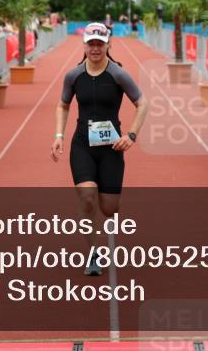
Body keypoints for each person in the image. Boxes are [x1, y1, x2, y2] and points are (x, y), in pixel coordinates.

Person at [52, 22, 148, 276]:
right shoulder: (73, 76)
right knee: (86, 199)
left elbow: (143, 103)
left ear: (107, 44)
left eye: (99, 43)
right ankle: (94, 253)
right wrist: (59, 135)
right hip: (82, 144)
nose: (95, 48)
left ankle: (104, 226)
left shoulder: (118, 74)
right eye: (91, 43)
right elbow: (62, 105)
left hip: (111, 148)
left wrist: (131, 135)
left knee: (109, 208)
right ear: (84, 45)